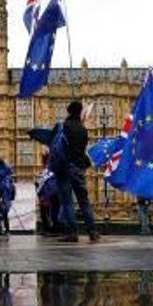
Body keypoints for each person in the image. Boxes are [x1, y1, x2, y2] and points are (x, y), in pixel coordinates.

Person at [55, 101, 100, 243]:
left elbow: (57, 147)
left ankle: (72, 233)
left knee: (67, 202)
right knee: (84, 202)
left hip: (66, 167)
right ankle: (92, 232)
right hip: (79, 168)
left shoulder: (64, 127)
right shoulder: (83, 129)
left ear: (68, 112)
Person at [0, 141, 16, 239]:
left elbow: (9, 178)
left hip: (4, 191)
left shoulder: (5, 166)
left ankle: (6, 230)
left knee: (4, 211)